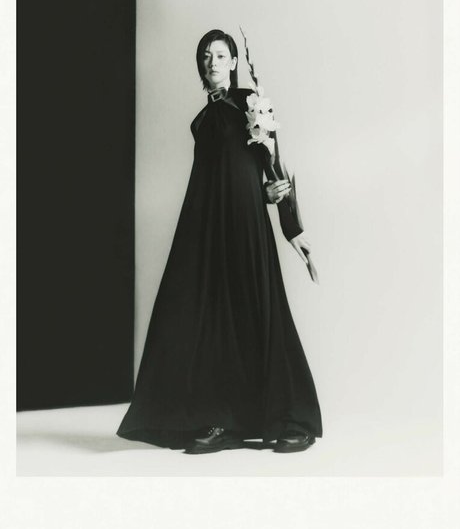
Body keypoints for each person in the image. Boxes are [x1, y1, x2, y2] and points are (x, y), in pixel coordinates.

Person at [116, 29, 322, 453]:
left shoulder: (251, 104)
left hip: (247, 227)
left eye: (221, 55)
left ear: (233, 62)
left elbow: (273, 167)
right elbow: (215, 179)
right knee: (212, 323)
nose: (212, 62)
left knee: (264, 315)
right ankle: (221, 421)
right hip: (211, 232)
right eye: (206, 56)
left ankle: (294, 419)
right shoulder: (201, 122)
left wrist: (292, 229)